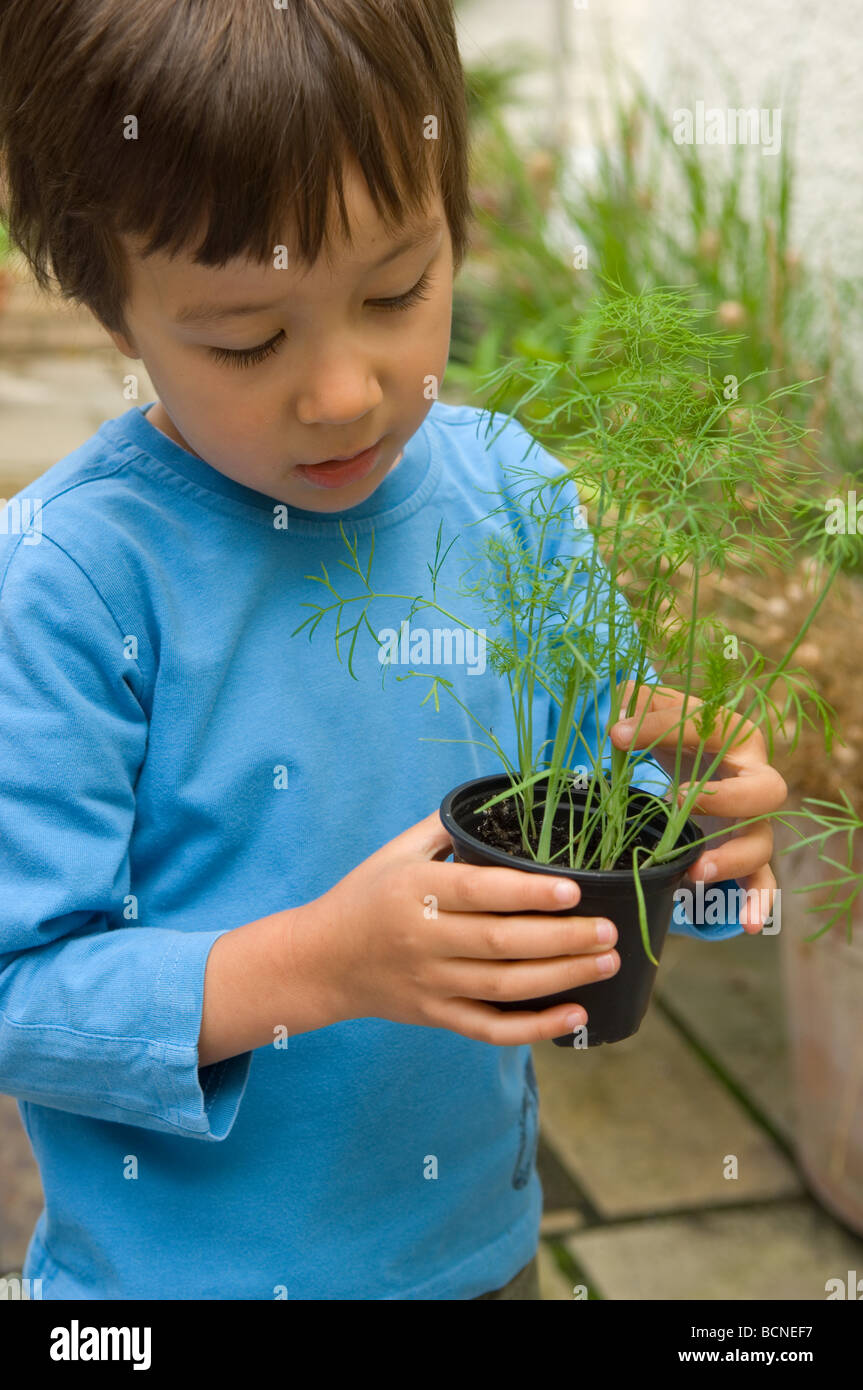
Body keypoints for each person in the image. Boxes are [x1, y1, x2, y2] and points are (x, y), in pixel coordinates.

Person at [0, 0, 784, 1301]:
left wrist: (699, 852)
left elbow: (598, 847)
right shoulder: (72, 580)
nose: (346, 389)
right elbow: (20, 988)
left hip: (481, 1254)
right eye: (247, 337)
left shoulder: (514, 499)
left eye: (397, 289)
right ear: (108, 300)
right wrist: (323, 962)